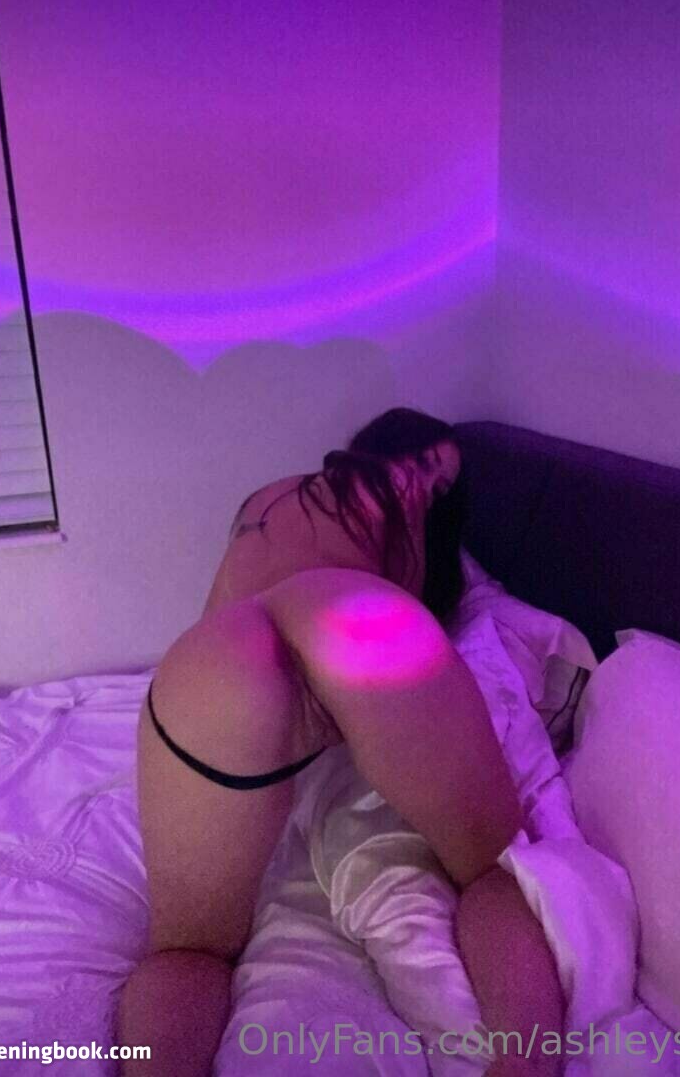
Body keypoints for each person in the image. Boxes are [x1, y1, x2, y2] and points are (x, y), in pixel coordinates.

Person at [119, 408, 563, 1075]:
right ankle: (526, 1063)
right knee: (488, 872)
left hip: (216, 656)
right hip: (349, 614)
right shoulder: (397, 497)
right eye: (430, 467)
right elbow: (408, 627)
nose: (426, 485)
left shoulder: (265, 498)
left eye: (439, 484)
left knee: (188, 950)